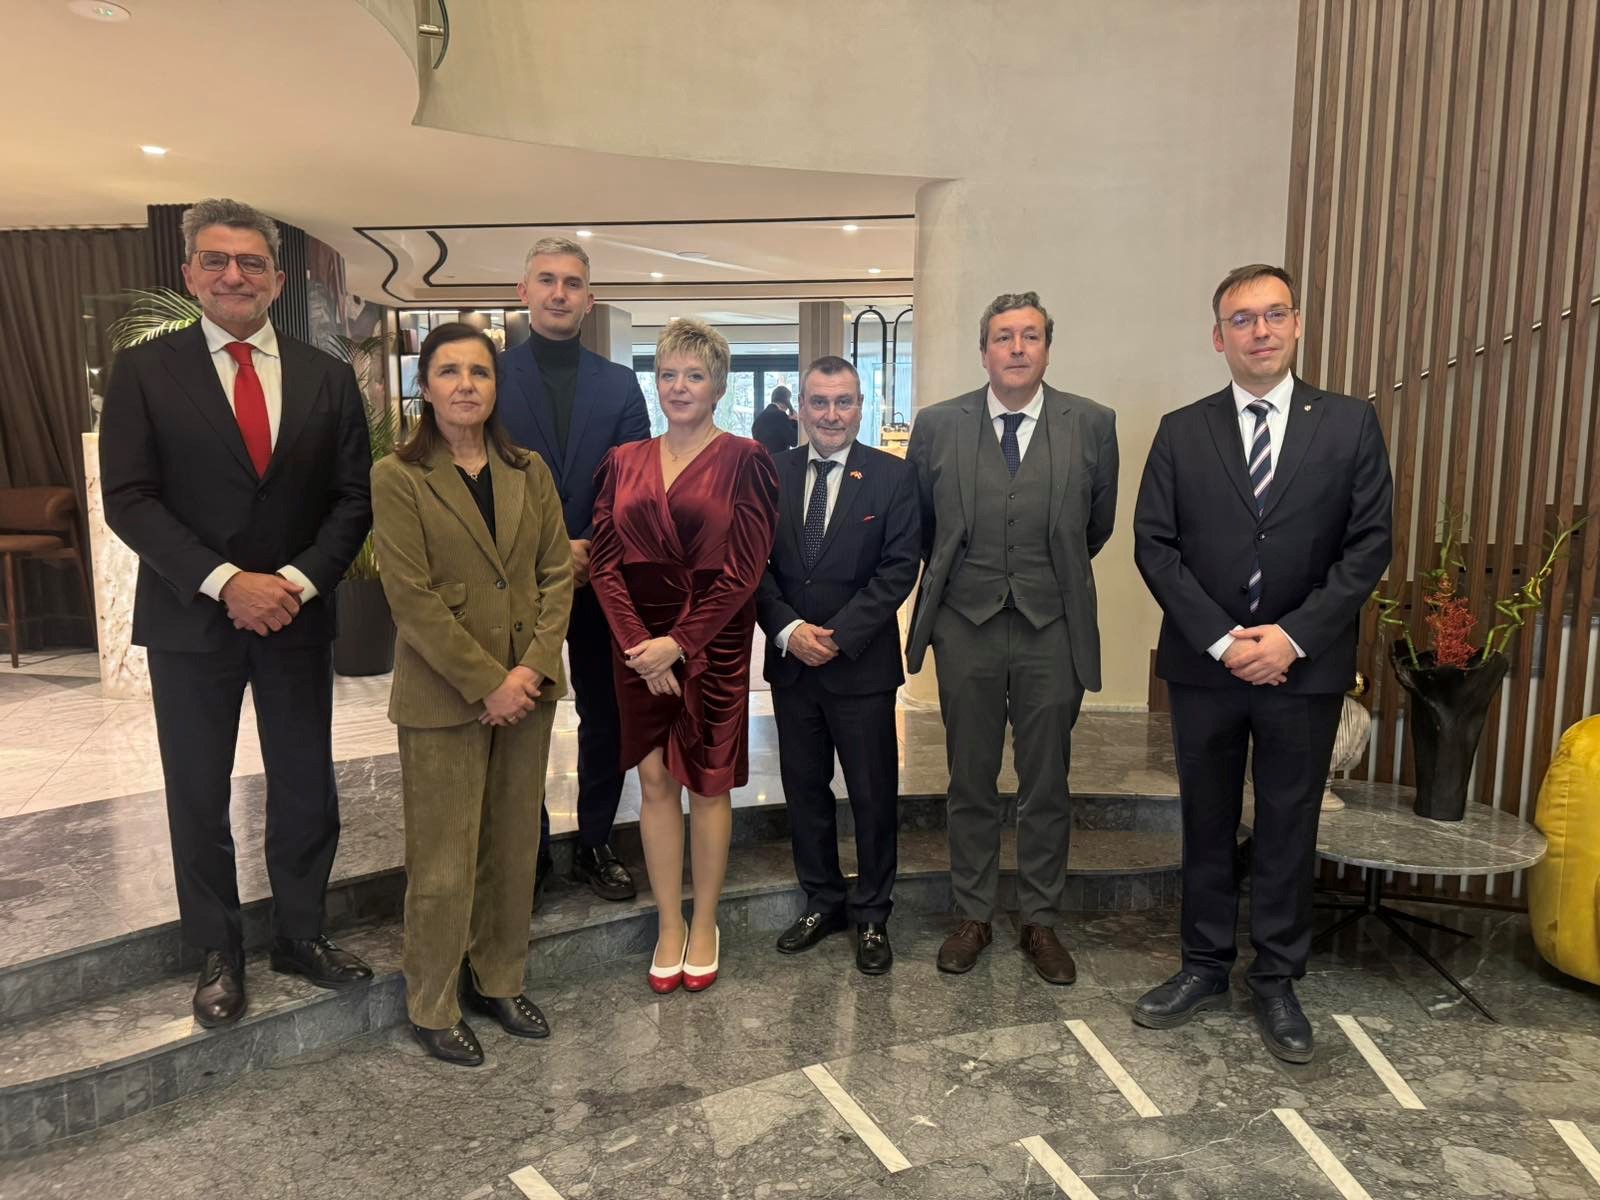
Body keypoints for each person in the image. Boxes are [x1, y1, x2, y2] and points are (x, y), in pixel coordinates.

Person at [100, 198, 373, 1026]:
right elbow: (130, 499)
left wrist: (292, 582)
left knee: (304, 783)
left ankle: (301, 933)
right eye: (216, 261)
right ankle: (218, 950)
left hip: (295, 617)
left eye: (251, 262)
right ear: (190, 274)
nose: (233, 275)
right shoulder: (145, 372)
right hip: (191, 618)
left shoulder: (326, 376)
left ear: (277, 280)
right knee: (197, 789)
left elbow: (353, 500)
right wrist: (227, 582)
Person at [1131, 264, 1393, 1063]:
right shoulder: (1182, 430)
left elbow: (1368, 546)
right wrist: (1223, 641)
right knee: (1206, 819)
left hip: (1303, 668)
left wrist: (1291, 638)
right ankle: (1203, 965)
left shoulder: (1349, 424)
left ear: (1298, 324)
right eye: (1242, 319)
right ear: (1219, 338)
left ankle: (1276, 978)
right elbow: (1155, 545)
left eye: (1274, 314)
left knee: (1288, 822)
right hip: (1205, 667)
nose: (1260, 330)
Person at [372, 322, 574, 1067]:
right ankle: (432, 1001)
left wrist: (530, 670)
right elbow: (411, 597)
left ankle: (500, 978)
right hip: (445, 697)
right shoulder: (398, 476)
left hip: (528, 692)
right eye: (449, 371)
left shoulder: (528, 470)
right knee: (443, 860)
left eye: (480, 372)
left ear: (496, 386)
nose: (466, 384)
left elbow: (557, 574)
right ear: (424, 387)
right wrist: (489, 682)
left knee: (512, 848)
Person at [905, 291, 1118, 984]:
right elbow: (922, 525)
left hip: (1051, 626)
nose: (1018, 347)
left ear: (1048, 348)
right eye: (1004, 336)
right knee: (969, 777)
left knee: (1046, 780)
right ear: (984, 350)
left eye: (1030, 335)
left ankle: (1040, 919)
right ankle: (973, 914)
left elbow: (1096, 526)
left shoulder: (1092, 423)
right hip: (964, 625)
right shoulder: (939, 425)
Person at [589, 319, 778, 993]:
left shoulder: (747, 459)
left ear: (718, 387)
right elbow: (604, 562)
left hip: (711, 645)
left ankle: (705, 922)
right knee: (654, 783)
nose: (679, 386)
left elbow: (746, 569)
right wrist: (640, 646)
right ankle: (669, 922)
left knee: (708, 783)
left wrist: (680, 643)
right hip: (637, 646)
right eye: (668, 374)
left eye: (694, 375)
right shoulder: (622, 460)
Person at [499, 236, 651, 903]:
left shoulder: (618, 384)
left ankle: (594, 841)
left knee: (605, 712)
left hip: (600, 576)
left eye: (572, 283)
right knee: (522, 710)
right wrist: (550, 548)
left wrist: (588, 544)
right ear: (523, 292)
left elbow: (635, 483)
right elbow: (481, 479)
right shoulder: (492, 377)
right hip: (514, 578)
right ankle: (528, 850)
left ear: (590, 300)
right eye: (547, 280)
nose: (559, 293)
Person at [757, 356, 919, 974]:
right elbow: (751, 565)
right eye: (819, 402)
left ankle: (873, 912)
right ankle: (822, 901)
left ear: (860, 407)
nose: (831, 414)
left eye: (843, 401)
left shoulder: (893, 476)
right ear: (800, 408)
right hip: (793, 666)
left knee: (873, 794)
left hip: (861, 667)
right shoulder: (769, 473)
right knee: (804, 790)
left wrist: (839, 635)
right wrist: (789, 630)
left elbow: (899, 568)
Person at [752, 384, 799, 458]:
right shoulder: (780, 416)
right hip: (778, 462)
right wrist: (795, 421)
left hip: (761, 462)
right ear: (787, 401)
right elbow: (794, 441)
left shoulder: (759, 418)